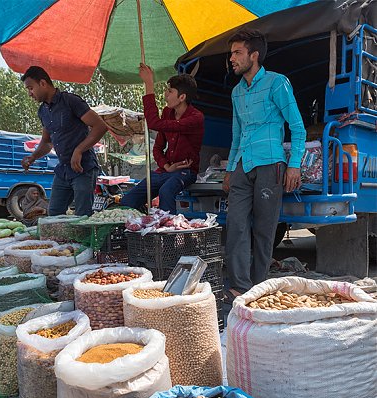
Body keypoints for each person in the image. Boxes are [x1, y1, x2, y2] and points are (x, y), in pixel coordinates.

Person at [223, 29, 306, 303]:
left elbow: (297, 127)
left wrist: (294, 165)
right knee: (235, 224)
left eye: (237, 53)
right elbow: (237, 134)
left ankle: (257, 286)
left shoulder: (277, 83)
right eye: (231, 53)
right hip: (243, 165)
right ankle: (239, 286)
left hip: (271, 164)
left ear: (253, 55)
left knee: (264, 228)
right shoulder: (237, 92)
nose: (231, 58)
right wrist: (230, 168)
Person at [20, 66, 107, 217]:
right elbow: (47, 143)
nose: (29, 94)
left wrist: (79, 150)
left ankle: (84, 241)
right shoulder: (43, 111)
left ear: (42, 83)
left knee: (82, 215)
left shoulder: (70, 101)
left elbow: (100, 126)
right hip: (63, 171)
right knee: (54, 214)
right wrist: (33, 157)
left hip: (83, 168)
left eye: (30, 88)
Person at [120, 65, 204, 212]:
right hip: (165, 171)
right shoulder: (167, 112)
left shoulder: (196, 118)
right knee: (128, 200)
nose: (165, 94)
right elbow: (158, 148)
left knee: (166, 192)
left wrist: (149, 85)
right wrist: (166, 166)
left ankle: (168, 232)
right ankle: (142, 226)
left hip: (186, 172)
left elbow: (153, 123)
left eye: (169, 91)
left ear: (182, 97)